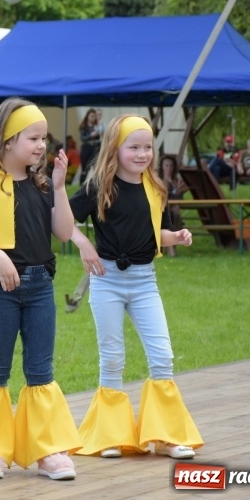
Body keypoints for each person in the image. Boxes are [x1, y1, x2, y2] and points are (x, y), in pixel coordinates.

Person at [0, 98, 83, 482]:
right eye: (34, 138)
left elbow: (62, 232)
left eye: (44, 138)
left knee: (41, 370)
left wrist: (59, 188)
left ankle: (46, 450)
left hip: (41, 288)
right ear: (9, 141)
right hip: (0, 291)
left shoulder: (43, 185)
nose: (42, 146)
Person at [68, 115, 203, 460]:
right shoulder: (100, 185)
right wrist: (84, 245)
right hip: (107, 280)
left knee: (162, 356)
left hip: (145, 282)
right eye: (134, 147)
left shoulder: (157, 189)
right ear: (116, 148)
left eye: (147, 147)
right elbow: (63, 218)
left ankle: (167, 435)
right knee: (112, 358)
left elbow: (156, 233)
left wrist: (178, 236)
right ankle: (110, 436)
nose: (142, 154)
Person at [158, 155, 188, 257]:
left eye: (171, 166)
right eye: (166, 165)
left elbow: (179, 197)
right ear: (162, 167)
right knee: (170, 215)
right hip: (160, 211)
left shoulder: (178, 182)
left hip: (174, 209)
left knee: (175, 214)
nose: (169, 168)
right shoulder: (157, 181)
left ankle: (171, 247)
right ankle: (170, 249)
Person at [79, 108, 101, 183]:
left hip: (95, 148)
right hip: (86, 148)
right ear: (87, 116)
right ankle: (81, 186)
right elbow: (82, 138)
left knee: (96, 168)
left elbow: (100, 137)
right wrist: (91, 135)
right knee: (84, 169)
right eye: (91, 116)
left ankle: (96, 186)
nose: (93, 118)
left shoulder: (97, 126)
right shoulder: (83, 126)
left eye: (94, 116)